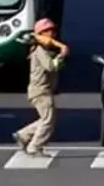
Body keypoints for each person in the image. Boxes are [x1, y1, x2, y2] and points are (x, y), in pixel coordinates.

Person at [13, 18, 69, 156]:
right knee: (48, 120)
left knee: (47, 118)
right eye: (49, 31)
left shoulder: (43, 50)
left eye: (53, 30)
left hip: (42, 90)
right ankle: (34, 147)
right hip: (41, 90)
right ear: (41, 34)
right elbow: (50, 67)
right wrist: (61, 55)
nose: (53, 34)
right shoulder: (39, 50)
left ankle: (23, 135)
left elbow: (55, 68)